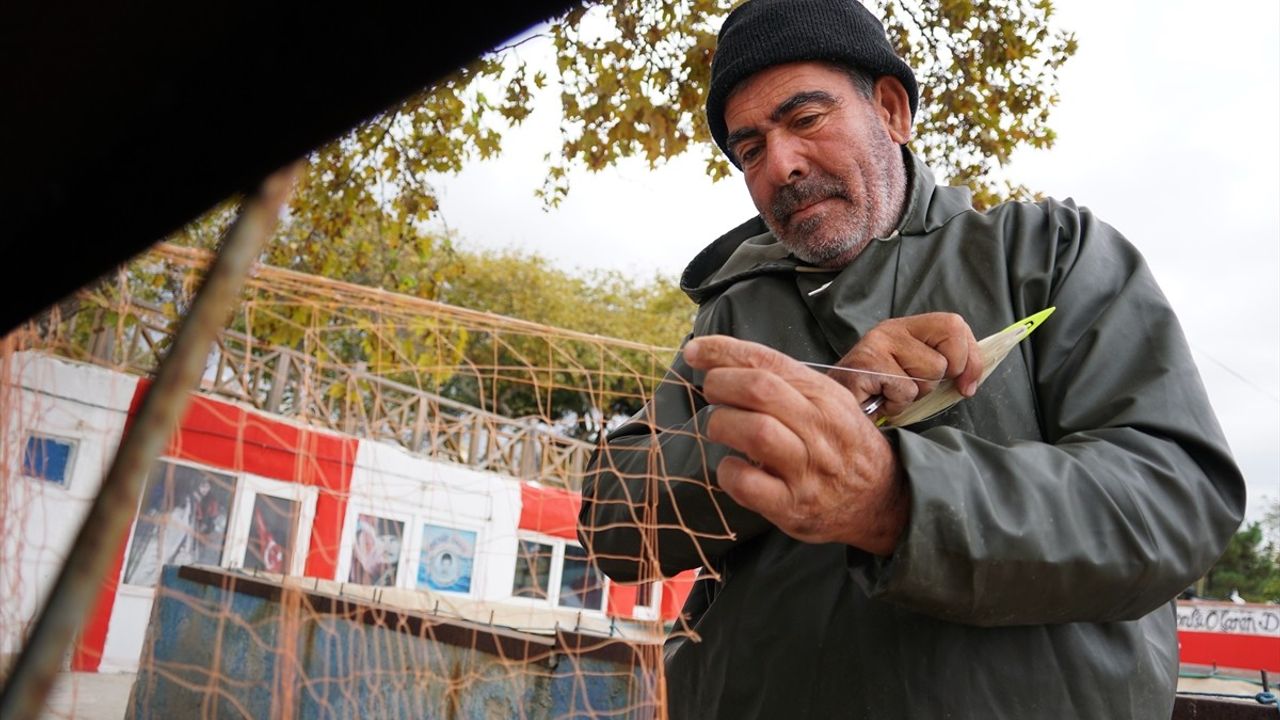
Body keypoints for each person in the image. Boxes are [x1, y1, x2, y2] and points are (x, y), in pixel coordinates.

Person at [577, 0, 1246, 717]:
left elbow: (1175, 501)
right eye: (749, 150)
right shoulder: (732, 314)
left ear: (892, 110)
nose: (782, 165)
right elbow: (612, 525)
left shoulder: (1046, 253)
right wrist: (808, 416)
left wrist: (896, 500)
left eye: (805, 120)